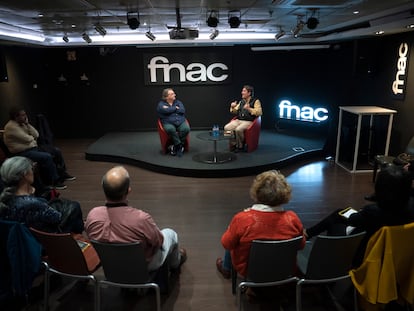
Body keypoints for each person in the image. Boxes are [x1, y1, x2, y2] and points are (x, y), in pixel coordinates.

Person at [304, 165, 414, 267]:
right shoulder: (411, 206)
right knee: (340, 213)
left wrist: (361, 212)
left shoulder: (373, 212)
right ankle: (308, 233)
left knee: (336, 218)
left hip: (364, 253)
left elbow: (353, 220)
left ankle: (326, 254)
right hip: (394, 253)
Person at [85, 165, 187, 273]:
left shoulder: (92, 215)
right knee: (170, 234)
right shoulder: (141, 219)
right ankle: (175, 264)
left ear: (104, 189)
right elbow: (159, 242)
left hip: (111, 265)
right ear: (128, 191)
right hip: (142, 266)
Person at [216, 170, 305, 280]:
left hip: (250, 271)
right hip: (285, 269)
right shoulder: (293, 219)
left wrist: (232, 227)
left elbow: (226, 244)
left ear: (257, 192)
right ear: (285, 193)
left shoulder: (242, 219)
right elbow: (301, 245)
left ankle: (226, 268)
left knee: (233, 235)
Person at [0, 156, 84, 234]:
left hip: (20, 237)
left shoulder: (6, 197)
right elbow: (57, 218)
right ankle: (78, 240)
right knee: (74, 207)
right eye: (31, 169)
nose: (33, 172)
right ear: (25, 175)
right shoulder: (31, 203)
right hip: (43, 240)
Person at [3, 107, 75, 190]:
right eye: (23, 115)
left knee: (56, 151)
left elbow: (36, 135)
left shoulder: (23, 124)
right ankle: (54, 181)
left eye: (25, 114)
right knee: (46, 157)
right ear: (16, 117)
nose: (25, 116)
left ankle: (62, 173)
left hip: (32, 148)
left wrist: (27, 124)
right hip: (21, 153)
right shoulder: (11, 127)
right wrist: (31, 139)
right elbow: (28, 139)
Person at [224, 85, 263, 152]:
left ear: (249, 93)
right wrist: (233, 107)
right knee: (226, 128)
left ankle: (240, 146)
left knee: (238, 129)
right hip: (238, 120)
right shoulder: (241, 101)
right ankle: (233, 144)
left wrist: (249, 109)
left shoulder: (256, 101)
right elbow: (235, 111)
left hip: (249, 121)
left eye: (244, 91)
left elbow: (259, 112)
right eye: (242, 91)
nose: (242, 92)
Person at [156, 88, 190, 157]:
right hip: (168, 122)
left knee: (186, 129)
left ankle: (175, 146)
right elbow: (164, 111)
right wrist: (175, 108)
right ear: (166, 97)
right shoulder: (161, 104)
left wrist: (170, 109)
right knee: (170, 129)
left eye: (174, 93)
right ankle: (179, 146)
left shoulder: (178, 102)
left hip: (180, 121)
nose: (174, 95)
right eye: (172, 94)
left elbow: (182, 110)